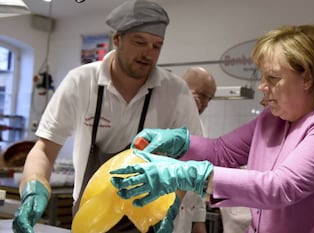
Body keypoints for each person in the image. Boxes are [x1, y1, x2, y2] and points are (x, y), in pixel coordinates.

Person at [109, 24, 314, 233]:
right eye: (262, 77)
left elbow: (281, 187)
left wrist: (188, 175)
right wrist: (180, 142)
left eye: (273, 78)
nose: (262, 86)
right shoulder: (273, 119)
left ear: (308, 78)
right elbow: (222, 151)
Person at [12, 0, 203, 233]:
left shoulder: (176, 91)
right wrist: (33, 186)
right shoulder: (81, 82)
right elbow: (44, 149)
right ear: (117, 39)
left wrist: (174, 201)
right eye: (139, 42)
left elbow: (192, 156)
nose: (148, 53)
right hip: (90, 219)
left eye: (156, 45)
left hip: (148, 220)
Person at [172, 66, 216, 233]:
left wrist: (199, 219)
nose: (204, 103)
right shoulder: (165, 116)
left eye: (209, 98)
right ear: (182, 88)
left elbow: (198, 177)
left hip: (184, 220)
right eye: (201, 95)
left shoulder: (200, 127)